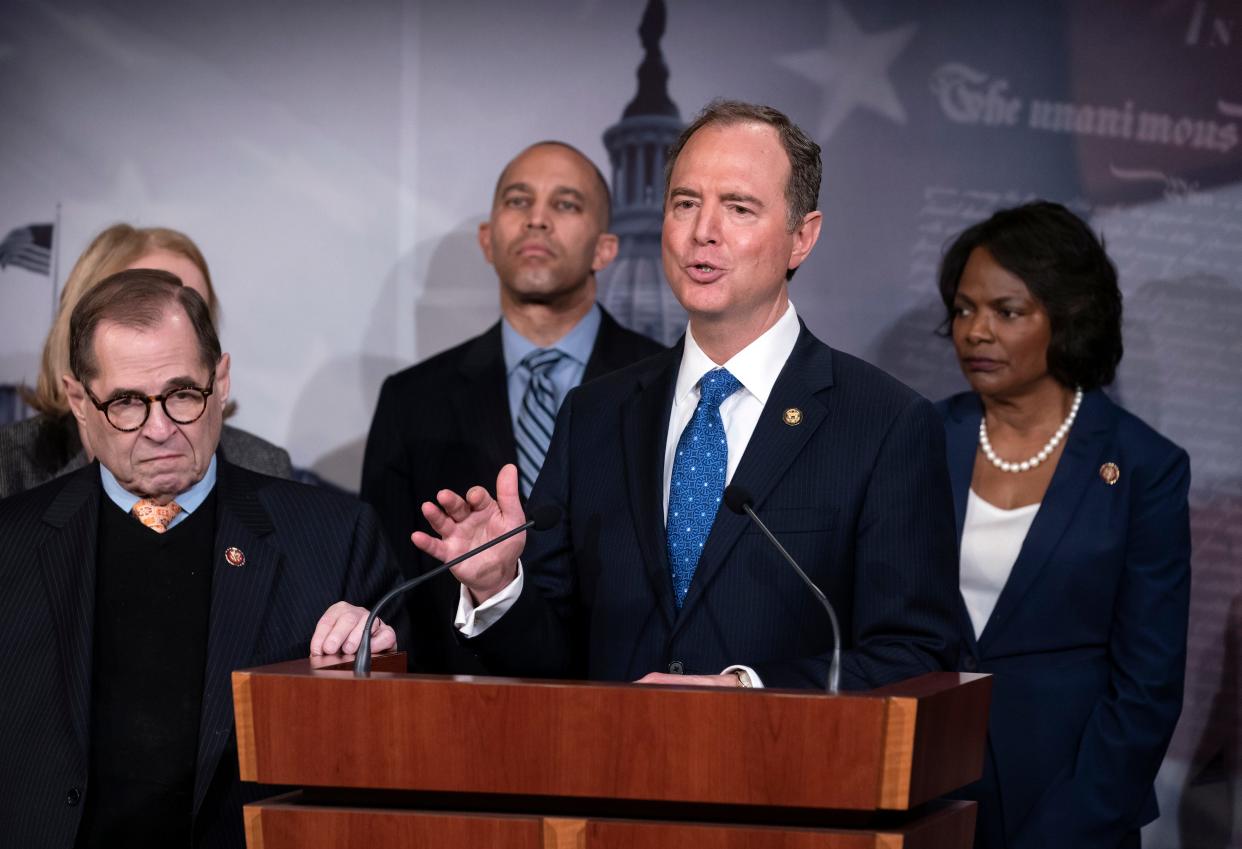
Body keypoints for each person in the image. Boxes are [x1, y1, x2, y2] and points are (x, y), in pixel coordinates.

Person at [399, 101, 959, 689]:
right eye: (685, 204)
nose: (702, 232)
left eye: (738, 208)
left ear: (802, 238)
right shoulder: (596, 413)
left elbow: (917, 652)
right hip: (607, 772)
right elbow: (555, 657)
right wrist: (497, 588)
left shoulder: (883, 423)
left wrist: (747, 691)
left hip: (784, 772)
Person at [0, 270, 404, 849]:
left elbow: (397, 745)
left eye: (183, 394)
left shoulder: (333, 538)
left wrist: (376, 667)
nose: (161, 429)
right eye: (126, 404)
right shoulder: (11, 548)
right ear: (78, 403)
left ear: (220, 381)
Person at [935, 201, 1190, 848]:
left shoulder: (1142, 468)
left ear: (1069, 317)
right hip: (926, 792)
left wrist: (1072, 824)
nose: (975, 332)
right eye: (964, 309)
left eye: (1006, 311)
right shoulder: (920, 438)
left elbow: (1148, 685)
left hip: (1070, 805)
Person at [361, 141, 663, 672]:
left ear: (605, 248)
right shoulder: (412, 400)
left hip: (630, 700)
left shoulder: (668, 384)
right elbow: (388, 589)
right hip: (461, 705)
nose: (537, 220)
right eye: (518, 201)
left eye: (566, 204)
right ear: (487, 239)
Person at [0, 224, 293, 499]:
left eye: (190, 309)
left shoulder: (262, 466)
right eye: (139, 303)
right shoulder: (10, 468)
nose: (160, 430)